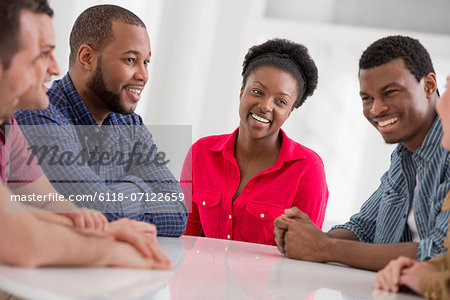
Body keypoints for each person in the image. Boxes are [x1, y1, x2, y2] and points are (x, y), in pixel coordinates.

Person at [0, 0, 170, 269]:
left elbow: (52, 208)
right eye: (43, 54)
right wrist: (110, 247)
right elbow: (22, 240)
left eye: (146, 62)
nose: (55, 68)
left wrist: (104, 226)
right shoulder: (36, 115)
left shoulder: (9, 128)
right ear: (87, 58)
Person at [274, 35, 450, 270]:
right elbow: (363, 228)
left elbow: (441, 255)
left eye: (390, 92)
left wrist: (324, 247)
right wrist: (306, 238)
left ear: (429, 86)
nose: (377, 109)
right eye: (367, 98)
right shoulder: (404, 155)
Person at [181, 38, 328, 245]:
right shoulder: (201, 153)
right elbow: (187, 235)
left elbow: (304, 251)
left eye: (281, 102)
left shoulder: (307, 168)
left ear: (290, 112)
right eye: (257, 92)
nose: (265, 106)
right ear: (242, 93)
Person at [375, 76, 450, 299]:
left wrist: (420, 278)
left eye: (448, 88)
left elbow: (437, 250)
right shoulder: (402, 155)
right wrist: (407, 269)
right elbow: (445, 261)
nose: (441, 103)